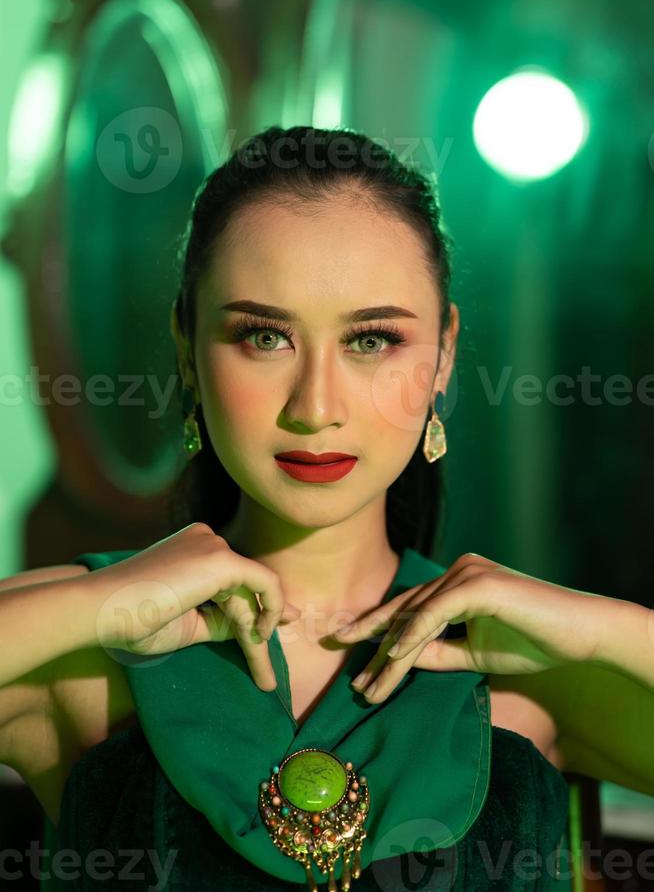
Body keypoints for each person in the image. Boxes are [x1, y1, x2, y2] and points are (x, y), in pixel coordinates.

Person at [5, 126, 651, 891]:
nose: (316, 407)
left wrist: (603, 626)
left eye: (372, 340)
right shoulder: (78, 649)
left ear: (443, 354)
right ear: (187, 345)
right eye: (265, 336)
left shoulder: (531, 667)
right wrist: (102, 602)